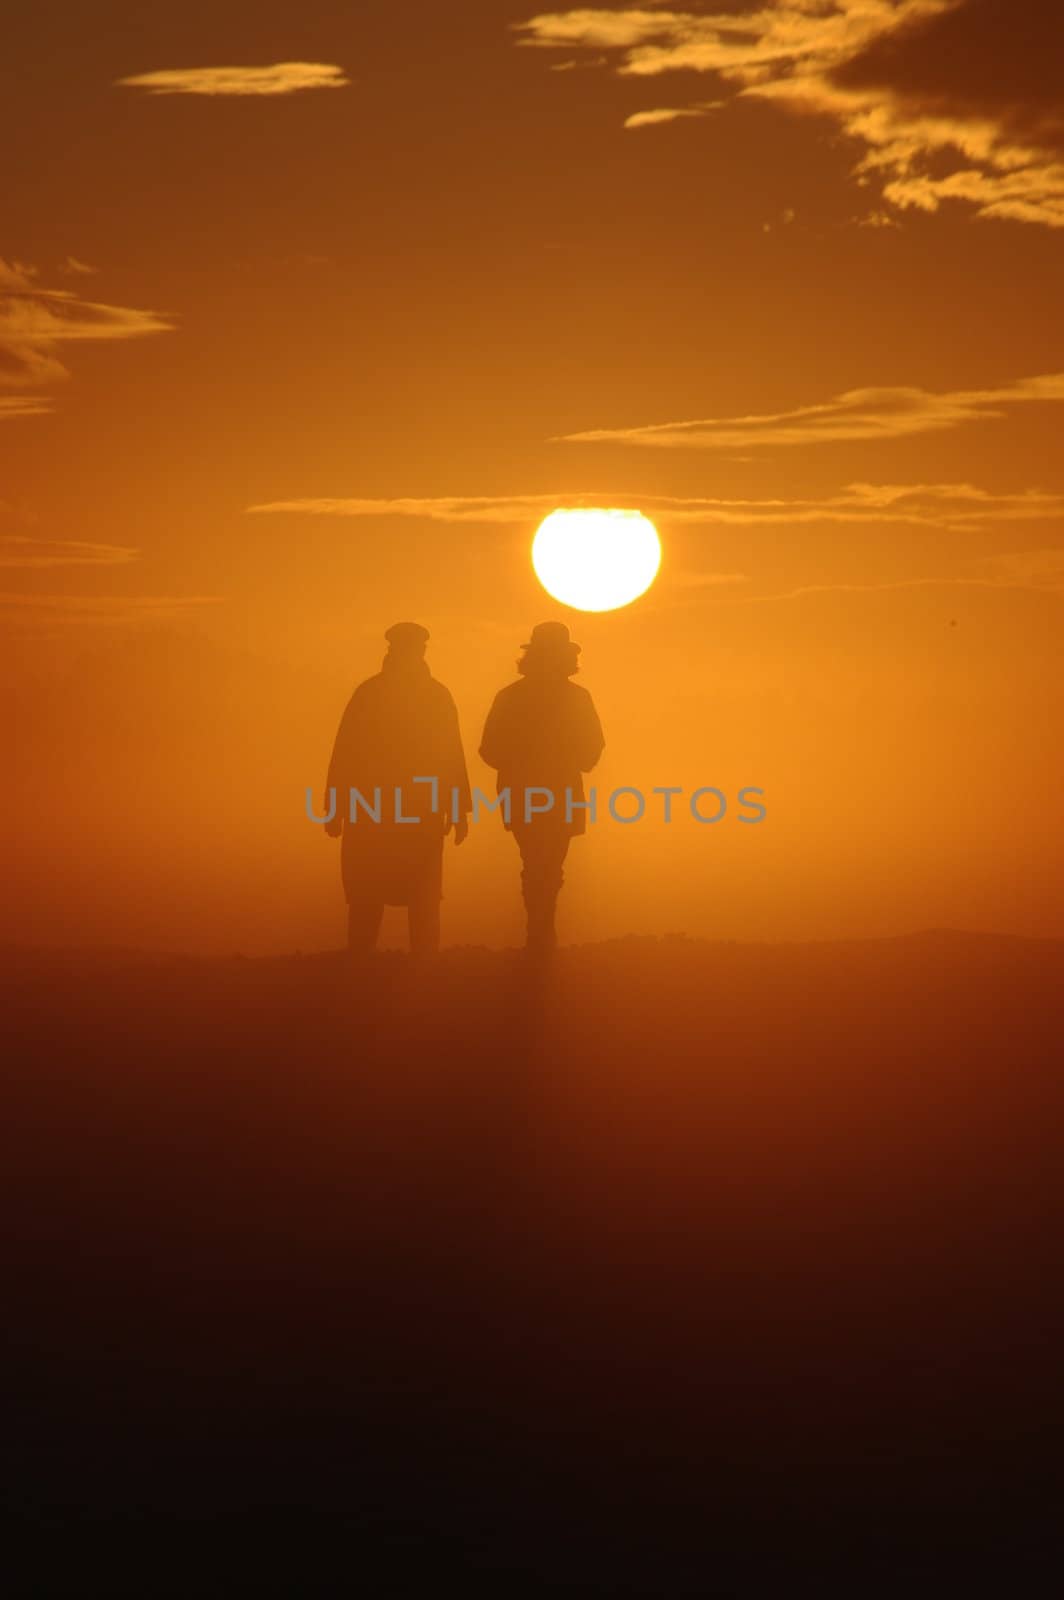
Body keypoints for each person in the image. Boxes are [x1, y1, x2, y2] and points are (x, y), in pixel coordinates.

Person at [324, 623, 470, 956]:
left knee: (410, 891)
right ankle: (395, 964)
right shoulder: (432, 695)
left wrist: (459, 809)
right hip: (397, 808)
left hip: (383, 808)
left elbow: (451, 753)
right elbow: (346, 751)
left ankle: (395, 965)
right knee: (376, 891)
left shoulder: (373, 693)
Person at [479, 621, 604, 952]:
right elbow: (593, 747)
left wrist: (517, 765)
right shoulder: (577, 697)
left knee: (536, 861)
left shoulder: (510, 697)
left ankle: (539, 929)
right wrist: (571, 761)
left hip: (522, 793)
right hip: (559, 790)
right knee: (548, 864)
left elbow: (489, 749)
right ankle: (542, 930)